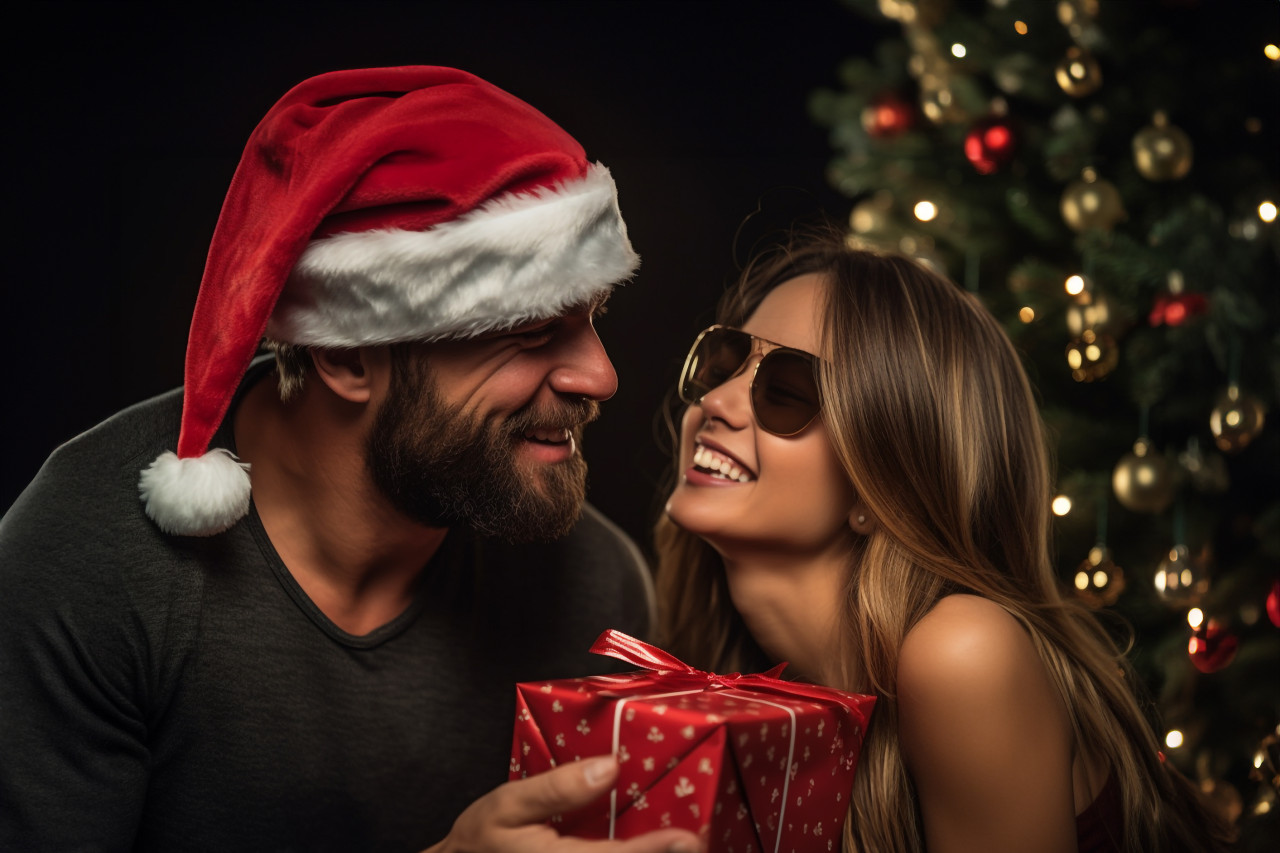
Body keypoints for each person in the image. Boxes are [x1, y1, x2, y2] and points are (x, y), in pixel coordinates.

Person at [0, 66, 700, 853]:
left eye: (593, 319)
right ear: (349, 358)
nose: (601, 376)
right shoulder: (90, 560)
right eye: (533, 330)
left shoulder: (589, 584)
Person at [654, 229, 1235, 852]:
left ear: (883, 486)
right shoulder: (712, 663)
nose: (714, 402)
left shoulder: (963, 651)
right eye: (724, 362)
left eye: (787, 392)